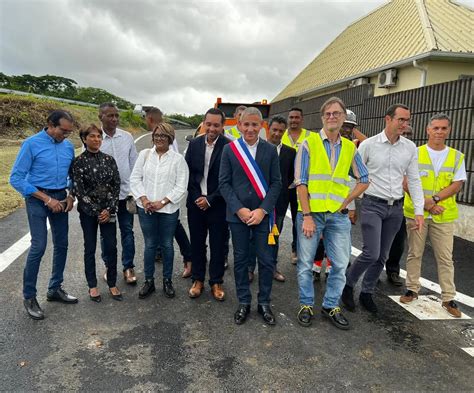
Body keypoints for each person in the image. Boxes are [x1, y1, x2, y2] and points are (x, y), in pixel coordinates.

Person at [295, 97, 369, 329]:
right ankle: (306, 304)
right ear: (322, 117)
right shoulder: (309, 143)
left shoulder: (349, 147)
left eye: (336, 113)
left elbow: (364, 179)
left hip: (338, 215)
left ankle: (330, 305)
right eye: (328, 114)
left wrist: (347, 200)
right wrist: (306, 215)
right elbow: (301, 182)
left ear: (343, 117)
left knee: (339, 264)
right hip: (311, 215)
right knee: (306, 264)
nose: (332, 117)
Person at [342, 104, 424, 314]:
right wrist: (350, 205)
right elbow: (353, 177)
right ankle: (348, 285)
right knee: (371, 252)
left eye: (408, 120)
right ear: (388, 119)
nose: (405, 124)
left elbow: (413, 179)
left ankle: (367, 293)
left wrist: (419, 211)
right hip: (372, 205)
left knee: (382, 256)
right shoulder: (368, 145)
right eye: (401, 120)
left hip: (395, 209)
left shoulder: (409, 148)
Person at [10, 110, 78, 320]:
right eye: (62, 130)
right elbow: (16, 178)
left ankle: (54, 289)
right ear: (50, 124)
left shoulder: (68, 146)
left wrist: (70, 195)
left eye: (68, 132)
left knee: (62, 244)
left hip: (60, 197)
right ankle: (29, 296)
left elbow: (72, 175)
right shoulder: (31, 144)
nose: (65, 136)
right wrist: (47, 199)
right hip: (38, 197)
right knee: (39, 246)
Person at [219, 107, 282, 325]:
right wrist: (240, 209)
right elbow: (224, 183)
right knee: (241, 260)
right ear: (239, 125)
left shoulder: (270, 150)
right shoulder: (230, 150)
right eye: (246, 124)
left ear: (261, 126)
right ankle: (244, 302)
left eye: (255, 125)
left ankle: (264, 302)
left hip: (263, 216)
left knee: (265, 261)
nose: (250, 129)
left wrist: (262, 210)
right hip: (238, 217)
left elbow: (276, 183)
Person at [400, 114, 466, 318]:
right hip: (417, 213)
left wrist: (434, 200)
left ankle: (448, 297)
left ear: (449, 130)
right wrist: (426, 204)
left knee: (445, 258)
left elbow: (457, 184)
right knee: (414, 253)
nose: (439, 132)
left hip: (443, 215)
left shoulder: (456, 156)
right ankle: (412, 289)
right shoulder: (415, 153)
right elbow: (405, 182)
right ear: (428, 130)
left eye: (443, 128)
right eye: (435, 128)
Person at [130, 123, 189, 299]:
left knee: (167, 244)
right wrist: (144, 199)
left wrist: (162, 202)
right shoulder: (145, 155)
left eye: (163, 136)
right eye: (156, 135)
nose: (159, 139)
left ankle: (167, 280)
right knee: (149, 244)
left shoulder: (178, 159)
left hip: (168, 210)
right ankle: (149, 281)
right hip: (146, 208)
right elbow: (135, 179)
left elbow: (181, 186)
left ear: (170, 138)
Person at [71, 124, 122, 302]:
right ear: (84, 139)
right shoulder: (78, 162)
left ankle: (113, 283)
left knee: (111, 247)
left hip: (108, 211)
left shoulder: (109, 160)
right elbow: (79, 191)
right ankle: (92, 286)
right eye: (92, 136)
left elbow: (116, 186)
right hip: (88, 213)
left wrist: (109, 210)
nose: (96, 140)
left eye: (99, 137)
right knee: (90, 248)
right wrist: (96, 211)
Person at [185, 108, 230, 300]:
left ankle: (216, 281)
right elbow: (186, 174)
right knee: (197, 243)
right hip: (195, 203)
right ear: (203, 123)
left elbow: (230, 179)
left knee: (218, 244)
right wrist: (198, 197)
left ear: (222, 126)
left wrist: (210, 199)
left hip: (218, 204)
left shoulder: (229, 147)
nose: (212, 128)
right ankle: (198, 279)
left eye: (216, 125)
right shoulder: (194, 145)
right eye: (209, 124)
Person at [145, 107, 192, 278]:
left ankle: (188, 257)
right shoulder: (153, 145)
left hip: (168, 198)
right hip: (153, 198)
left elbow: (176, 173)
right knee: (164, 231)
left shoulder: (170, 144)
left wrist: (165, 199)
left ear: (149, 118)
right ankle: (169, 253)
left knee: (173, 229)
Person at [248, 115, 295, 282]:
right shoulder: (256, 149)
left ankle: (272, 268)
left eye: (281, 131)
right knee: (253, 238)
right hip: (257, 203)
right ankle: (250, 268)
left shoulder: (290, 153)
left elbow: (290, 180)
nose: (277, 133)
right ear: (268, 128)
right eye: (274, 129)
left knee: (274, 238)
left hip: (279, 205)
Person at [99, 103, 138, 285]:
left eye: (116, 115)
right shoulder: (95, 138)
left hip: (126, 195)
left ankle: (128, 267)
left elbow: (134, 165)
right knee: (107, 235)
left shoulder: (127, 137)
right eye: (110, 116)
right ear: (101, 116)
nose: (114, 119)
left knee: (128, 232)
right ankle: (109, 266)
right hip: (105, 199)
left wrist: (135, 189)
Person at [282, 107, 311, 264]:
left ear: (302, 119)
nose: (293, 120)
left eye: (296, 117)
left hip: (301, 186)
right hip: (284, 186)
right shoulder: (281, 135)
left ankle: (296, 250)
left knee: (298, 219)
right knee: (277, 219)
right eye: (291, 117)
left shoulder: (310, 137)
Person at [385, 126, 413, 286]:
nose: (406, 136)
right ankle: (373, 271)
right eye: (404, 133)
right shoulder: (389, 151)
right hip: (384, 202)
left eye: (409, 134)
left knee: (398, 240)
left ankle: (393, 270)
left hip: (403, 204)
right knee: (378, 241)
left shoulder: (413, 153)